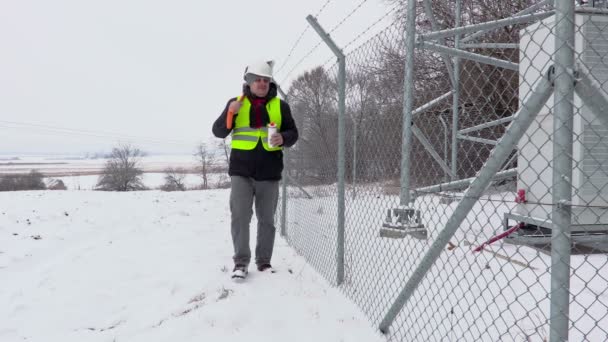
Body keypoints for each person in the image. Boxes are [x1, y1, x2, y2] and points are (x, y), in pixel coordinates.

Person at [212, 60, 298, 280]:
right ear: (249, 82)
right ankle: (240, 263)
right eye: (257, 80)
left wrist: (284, 137)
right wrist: (230, 113)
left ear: (270, 83)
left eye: (266, 80)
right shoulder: (236, 103)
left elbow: (293, 133)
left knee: (266, 219)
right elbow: (219, 132)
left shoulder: (281, 106)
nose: (261, 83)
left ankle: (264, 262)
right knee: (240, 217)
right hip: (241, 171)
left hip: (269, 172)